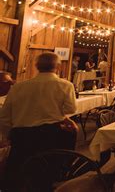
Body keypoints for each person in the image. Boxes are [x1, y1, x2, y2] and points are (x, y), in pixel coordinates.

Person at [0, 52, 77, 190]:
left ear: (36, 66)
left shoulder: (19, 87)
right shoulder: (65, 85)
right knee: (48, 169)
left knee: (18, 172)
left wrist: (9, 135)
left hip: (22, 136)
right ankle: (60, 174)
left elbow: (4, 116)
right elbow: (70, 109)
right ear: (57, 67)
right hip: (50, 135)